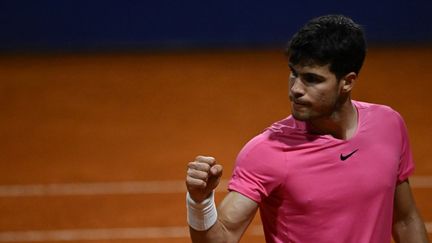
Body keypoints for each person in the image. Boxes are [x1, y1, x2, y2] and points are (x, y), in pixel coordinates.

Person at [185, 14, 429, 243]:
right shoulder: (267, 151)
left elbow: (405, 220)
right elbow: (224, 237)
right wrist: (200, 202)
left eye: (312, 79)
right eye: (294, 73)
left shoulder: (389, 125)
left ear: (347, 82)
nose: (296, 89)